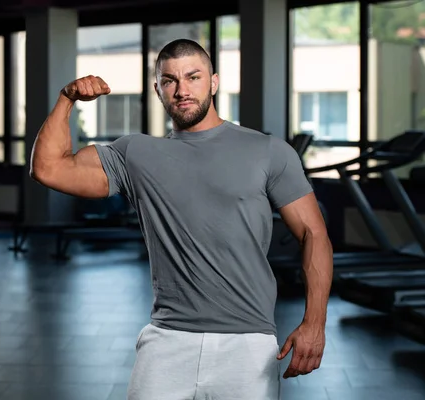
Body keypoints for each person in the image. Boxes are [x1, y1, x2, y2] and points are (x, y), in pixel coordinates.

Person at [29, 38, 333, 399]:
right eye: (170, 80)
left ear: (214, 82)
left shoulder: (267, 151)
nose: (182, 90)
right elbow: (47, 168)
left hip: (248, 342)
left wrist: (314, 323)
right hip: (167, 339)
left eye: (193, 77)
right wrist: (67, 100)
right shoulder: (137, 154)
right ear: (158, 89)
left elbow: (314, 234)